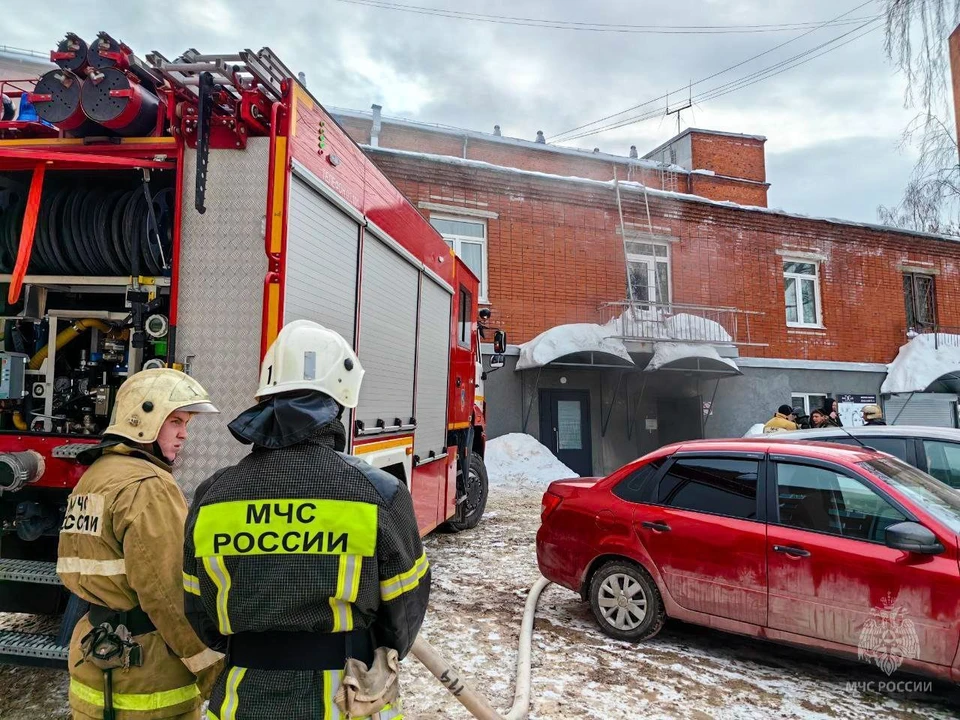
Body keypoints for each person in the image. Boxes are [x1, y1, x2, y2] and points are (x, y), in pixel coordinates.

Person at [183, 320, 429, 720]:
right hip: (343, 701)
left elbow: (198, 610)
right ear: (341, 400)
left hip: (240, 700)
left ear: (265, 396)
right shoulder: (380, 493)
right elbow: (402, 614)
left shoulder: (212, 494)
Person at [57, 368, 224, 720]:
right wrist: (214, 672)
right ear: (142, 420)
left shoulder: (96, 476)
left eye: (187, 424)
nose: (183, 435)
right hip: (148, 675)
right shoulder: (149, 486)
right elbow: (170, 597)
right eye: (175, 421)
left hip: (93, 661)